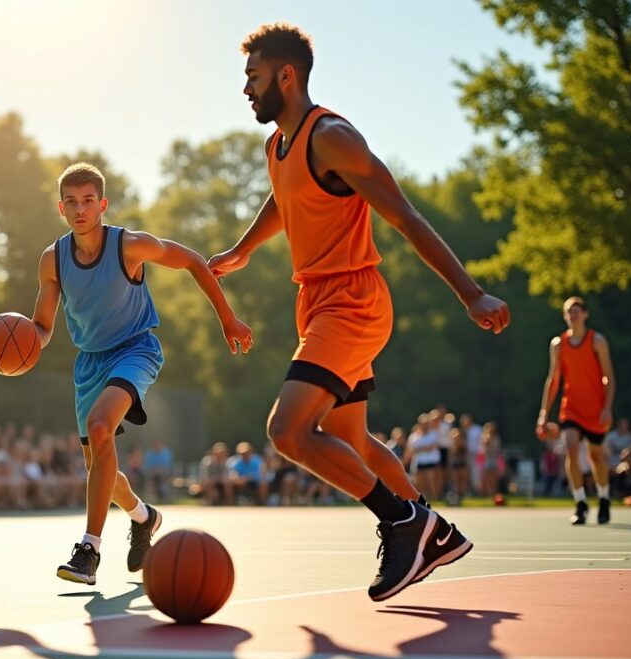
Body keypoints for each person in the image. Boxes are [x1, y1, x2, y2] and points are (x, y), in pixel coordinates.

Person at [208, 23, 509, 601]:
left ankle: (403, 521)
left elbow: (405, 216)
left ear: (286, 75)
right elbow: (284, 198)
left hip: (352, 302)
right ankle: (435, 531)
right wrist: (244, 249)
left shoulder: (333, 137)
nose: (246, 89)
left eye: (253, 77)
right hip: (315, 301)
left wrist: (470, 292)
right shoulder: (278, 146)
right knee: (354, 441)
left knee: (288, 431)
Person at [31, 162, 253, 585]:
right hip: (90, 362)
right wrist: (24, 347)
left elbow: (193, 261)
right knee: (98, 465)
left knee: (100, 427)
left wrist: (227, 318)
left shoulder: (129, 246)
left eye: (88, 201)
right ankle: (143, 516)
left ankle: (89, 550)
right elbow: (42, 327)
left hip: (136, 349)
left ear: (103, 205)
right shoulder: (52, 260)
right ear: (61, 208)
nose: (80, 209)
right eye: (72, 202)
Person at [536, 296, 617, 525]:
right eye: (569, 312)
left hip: (595, 409)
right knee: (570, 448)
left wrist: (607, 408)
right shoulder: (558, 344)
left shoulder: (597, 341)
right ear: (565, 316)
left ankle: (604, 498)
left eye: (577, 311)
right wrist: (544, 414)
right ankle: (580, 502)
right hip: (570, 408)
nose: (573, 315)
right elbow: (554, 380)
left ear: (585, 314)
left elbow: (609, 377)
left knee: (596, 456)